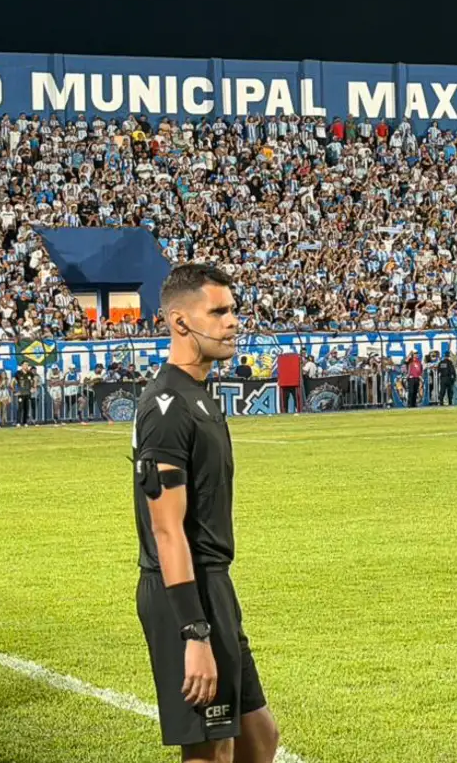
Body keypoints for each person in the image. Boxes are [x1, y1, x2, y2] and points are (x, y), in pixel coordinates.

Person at [132, 264, 280, 762]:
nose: (232, 321)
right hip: (184, 591)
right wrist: (194, 632)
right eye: (218, 312)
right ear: (180, 322)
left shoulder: (197, 396)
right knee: (210, 750)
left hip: (213, 584)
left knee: (258, 737)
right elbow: (166, 529)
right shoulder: (167, 407)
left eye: (233, 310)